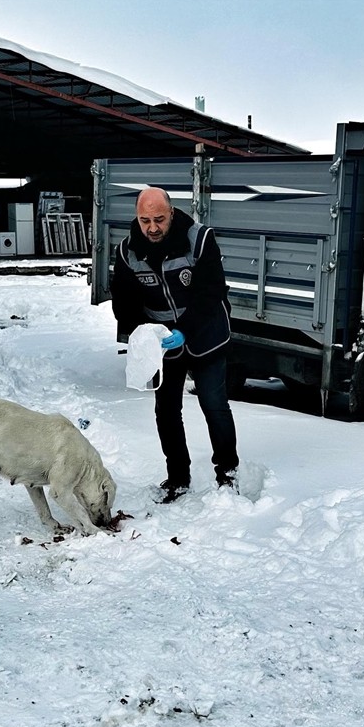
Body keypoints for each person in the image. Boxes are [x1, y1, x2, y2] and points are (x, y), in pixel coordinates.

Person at [111, 187, 238, 503]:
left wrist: (184, 330)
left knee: (214, 404)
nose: (152, 228)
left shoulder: (200, 239)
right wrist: (142, 334)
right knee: (166, 411)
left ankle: (228, 473)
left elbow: (211, 293)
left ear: (171, 213)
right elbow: (124, 301)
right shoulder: (127, 252)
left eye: (159, 219)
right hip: (164, 344)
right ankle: (178, 478)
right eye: (145, 221)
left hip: (206, 334)